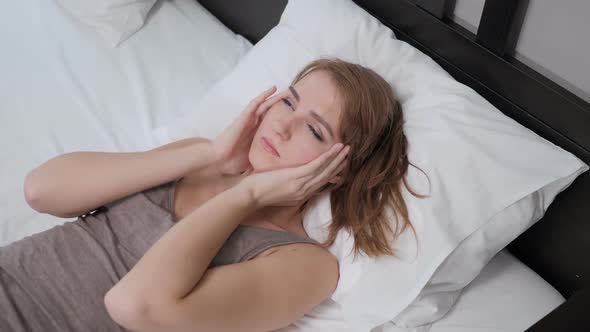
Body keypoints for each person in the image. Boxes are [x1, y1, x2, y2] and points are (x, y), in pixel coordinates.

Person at [1, 57, 422, 331]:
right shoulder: (195, 158)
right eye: (288, 102)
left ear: (341, 169)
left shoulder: (305, 264)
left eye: (314, 129)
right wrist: (209, 154)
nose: (281, 125)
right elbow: (41, 190)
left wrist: (247, 195)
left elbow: (134, 305)